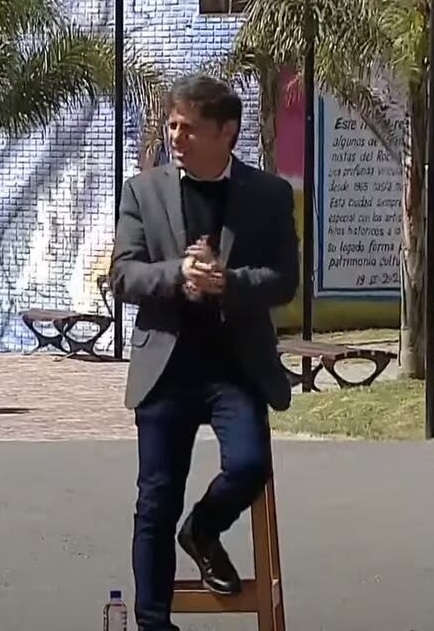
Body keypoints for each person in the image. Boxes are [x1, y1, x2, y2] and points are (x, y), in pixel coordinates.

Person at [109, 74, 298, 631]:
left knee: (249, 466)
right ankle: (153, 622)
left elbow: (284, 281)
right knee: (155, 500)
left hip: (235, 365)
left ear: (226, 132)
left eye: (189, 128)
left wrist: (228, 282)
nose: (176, 137)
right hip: (166, 366)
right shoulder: (143, 192)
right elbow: (123, 275)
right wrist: (179, 273)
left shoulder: (268, 194)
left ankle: (203, 529)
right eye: (172, 126)